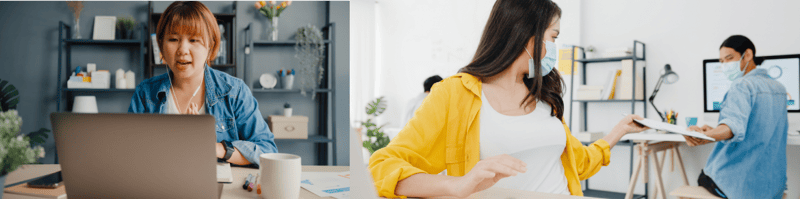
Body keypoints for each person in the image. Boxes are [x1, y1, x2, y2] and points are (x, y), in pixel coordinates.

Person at [367, 0, 649, 197]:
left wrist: (620, 130)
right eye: (553, 36)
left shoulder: (545, 96)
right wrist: (457, 185)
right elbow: (383, 166)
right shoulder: (455, 94)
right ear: (526, 34)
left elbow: (579, 162)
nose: (555, 47)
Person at [128, 1, 278, 166]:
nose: (182, 50)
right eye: (173, 39)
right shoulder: (145, 93)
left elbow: (267, 151)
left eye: (193, 40)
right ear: (161, 46)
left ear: (211, 46)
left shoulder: (235, 91)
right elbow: (129, 153)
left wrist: (216, 148)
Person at [683, 35, 787, 199]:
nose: (725, 65)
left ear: (747, 55)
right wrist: (716, 130)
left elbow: (732, 127)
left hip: (742, 187)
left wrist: (705, 136)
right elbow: (752, 128)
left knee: (704, 176)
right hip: (773, 186)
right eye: (721, 61)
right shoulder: (779, 88)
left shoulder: (742, 85)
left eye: (729, 58)